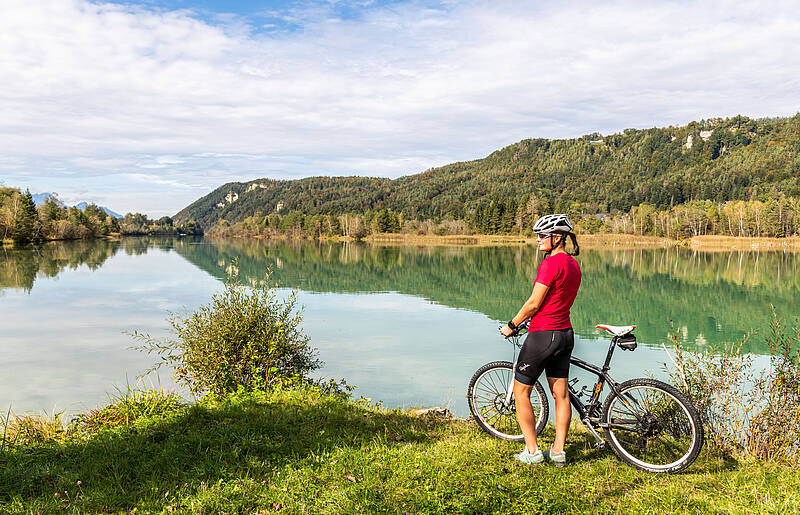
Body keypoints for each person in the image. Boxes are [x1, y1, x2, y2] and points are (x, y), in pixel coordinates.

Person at [499, 213, 581, 466]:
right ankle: (558, 451)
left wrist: (512, 325)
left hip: (544, 335)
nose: (538, 240)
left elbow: (534, 303)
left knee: (521, 391)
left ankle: (533, 451)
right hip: (565, 334)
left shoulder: (550, 264)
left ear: (557, 238)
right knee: (561, 394)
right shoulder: (573, 264)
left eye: (543, 235)